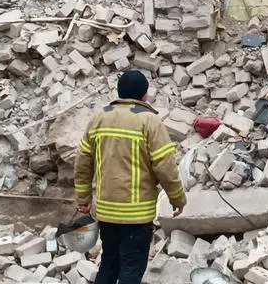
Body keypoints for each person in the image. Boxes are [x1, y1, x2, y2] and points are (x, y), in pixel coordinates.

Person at [74, 70, 185, 284]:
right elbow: (165, 167)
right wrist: (177, 199)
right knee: (131, 269)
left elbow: (82, 163)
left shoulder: (99, 118)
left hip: (106, 212)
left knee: (109, 263)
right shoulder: (150, 121)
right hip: (137, 216)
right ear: (144, 95)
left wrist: (83, 199)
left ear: (120, 92)